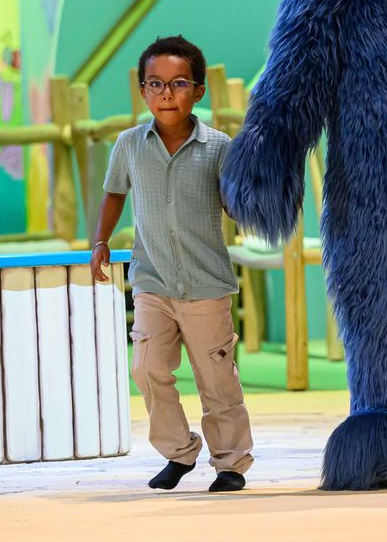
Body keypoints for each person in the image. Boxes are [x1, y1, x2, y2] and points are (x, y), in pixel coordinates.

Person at [90, 35, 252, 491]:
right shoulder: (129, 144)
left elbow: (234, 204)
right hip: (152, 279)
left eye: (179, 83)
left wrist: (250, 201)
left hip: (206, 284)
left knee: (216, 378)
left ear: (198, 91)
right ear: (142, 90)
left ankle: (230, 463)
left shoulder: (219, 148)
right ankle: (179, 451)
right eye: (155, 83)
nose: (166, 93)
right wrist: (100, 241)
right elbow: (114, 193)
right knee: (147, 368)